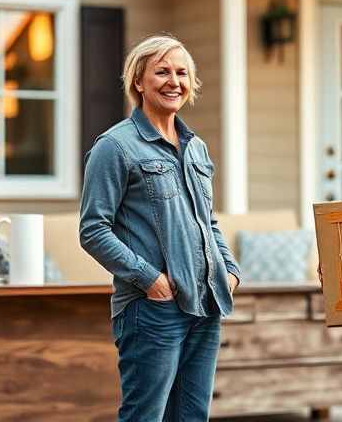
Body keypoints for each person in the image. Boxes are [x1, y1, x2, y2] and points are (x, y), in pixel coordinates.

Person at [79, 34, 240, 422]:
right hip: (152, 310)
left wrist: (229, 270)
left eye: (182, 73)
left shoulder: (196, 147)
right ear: (138, 81)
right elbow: (93, 229)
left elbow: (208, 221)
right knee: (144, 416)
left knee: (191, 416)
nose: (174, 81)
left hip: (206, 304)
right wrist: (150, 279)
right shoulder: (115, 147)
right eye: (162, 71)